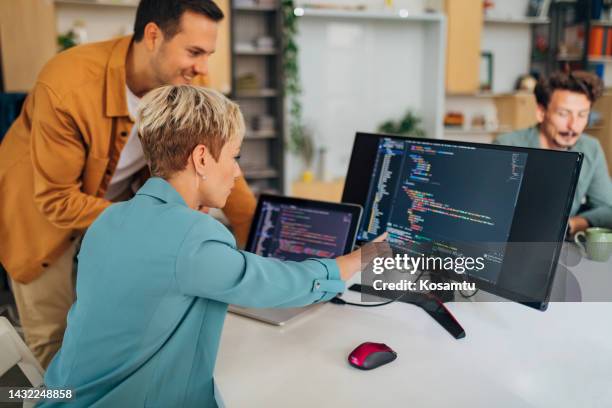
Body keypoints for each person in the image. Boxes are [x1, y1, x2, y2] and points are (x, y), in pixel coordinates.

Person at [40, 85, 382, 407]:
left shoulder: (108, 220)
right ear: (201, 159)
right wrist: (356, 260)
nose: (236, 172)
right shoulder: (193, 236)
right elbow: (276, 283)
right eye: (234, 156)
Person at [0, 0, 256, 369]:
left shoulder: (188, 78)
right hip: (40, 220)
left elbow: (218, 159)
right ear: (153, 36)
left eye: (208, 54)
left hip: (113, 214)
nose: (203, 68)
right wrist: (157, 220)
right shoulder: (67, 84)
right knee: (57, 346)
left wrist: (255, 239)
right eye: (195, 52)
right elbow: (56, 200)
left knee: (110, 335)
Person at [494, 71, 612, 234]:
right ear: (541, 112)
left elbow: (608, 208)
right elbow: (492, 209)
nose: (573, 125)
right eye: (563, 114)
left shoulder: (591, 148)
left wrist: (572, 224)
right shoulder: (507, 145)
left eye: (582, 115)